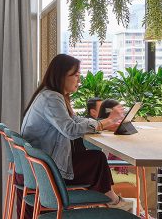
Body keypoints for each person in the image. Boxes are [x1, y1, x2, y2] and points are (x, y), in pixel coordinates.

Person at [21, 54, 130, 206]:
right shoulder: (51, 98)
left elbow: (75, 120)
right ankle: (110, 199)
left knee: (91, 156)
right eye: (76, 75)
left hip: (42, 164)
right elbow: (70, 129)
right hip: (47, 169)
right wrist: (107, 121)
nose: (79, 80)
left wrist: (101, 123)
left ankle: (106, 199)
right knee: (97, 158)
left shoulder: (53, 96)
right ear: (61, 76)